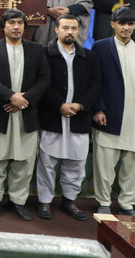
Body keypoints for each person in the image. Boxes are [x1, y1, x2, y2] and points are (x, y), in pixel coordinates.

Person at [0, 9, 50, 220]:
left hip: (26, 115)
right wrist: (11, 97)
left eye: (20, 23)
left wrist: (23, 101)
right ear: (3, 26)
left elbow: (45, 79)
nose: (16, 27)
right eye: (11, 23)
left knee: (24, 161)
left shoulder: (37, 50)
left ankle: (18, 202)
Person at [36, 15, 101, 221]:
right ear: (56, 29)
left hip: (79, 117)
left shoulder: (88, 56)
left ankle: (69, 201)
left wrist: (80, 105)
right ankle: (45, 202)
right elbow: (41, 83)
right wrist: (59, 105)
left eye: (74, 28)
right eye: (66, 27)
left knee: (76, 163)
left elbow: (95, 85)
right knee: (46, 163)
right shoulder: (45, 53)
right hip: (52, 116)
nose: (70, 32)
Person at [91, 7, 135, 216]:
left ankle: (128, 204)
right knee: (105, 163)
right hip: (109, 115)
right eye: (122, 23)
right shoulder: (100, 48)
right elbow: (94, 81)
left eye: (130, 24)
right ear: (113, 24)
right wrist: (98, 108)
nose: (126, 28)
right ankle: (103, 201)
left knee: (133, 163)